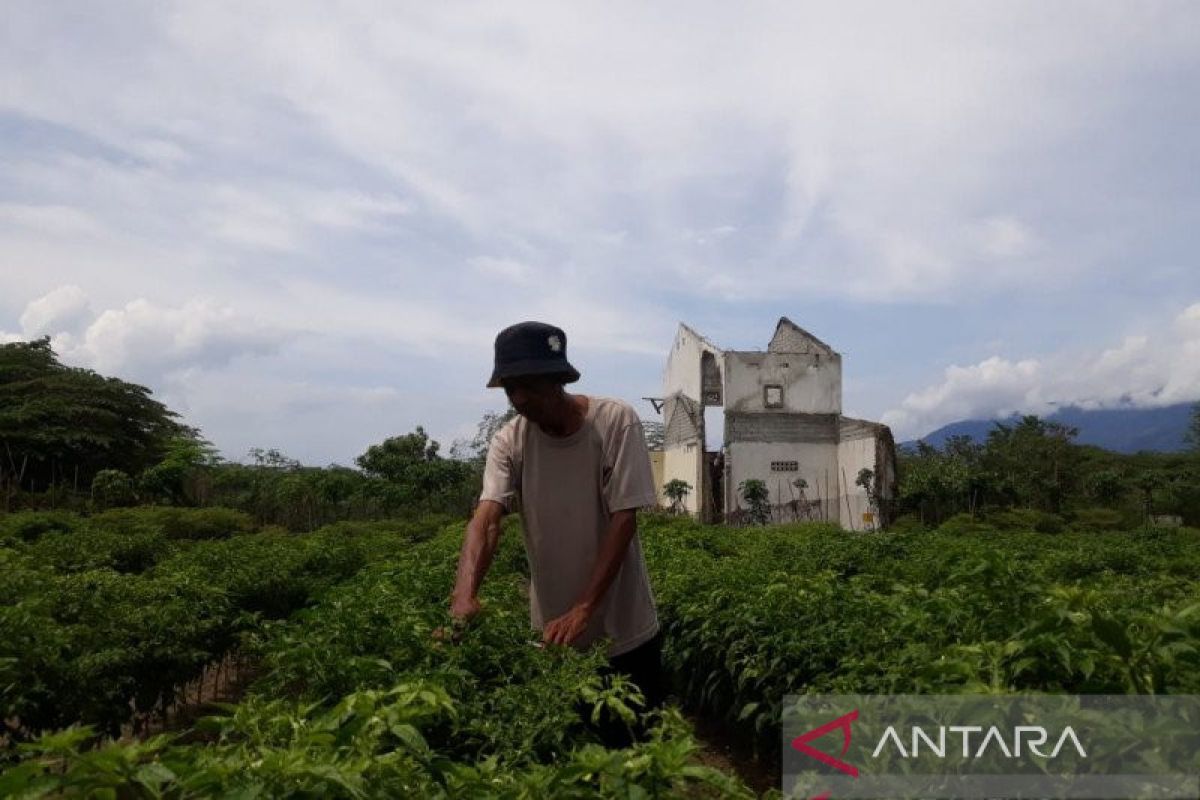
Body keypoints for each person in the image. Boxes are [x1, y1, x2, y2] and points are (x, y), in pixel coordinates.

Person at [449, 320, 667, 722]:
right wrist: (464, 595)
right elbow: (487, 519)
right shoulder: (509, 441)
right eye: (511, 388)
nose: (519, 398)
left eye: (530, 385)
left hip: (626, 634)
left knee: (638, 763)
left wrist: (584, 608)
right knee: (574, 763)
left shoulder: (616, 422)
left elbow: (624, 519)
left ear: (558, 381)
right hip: (556, 638)